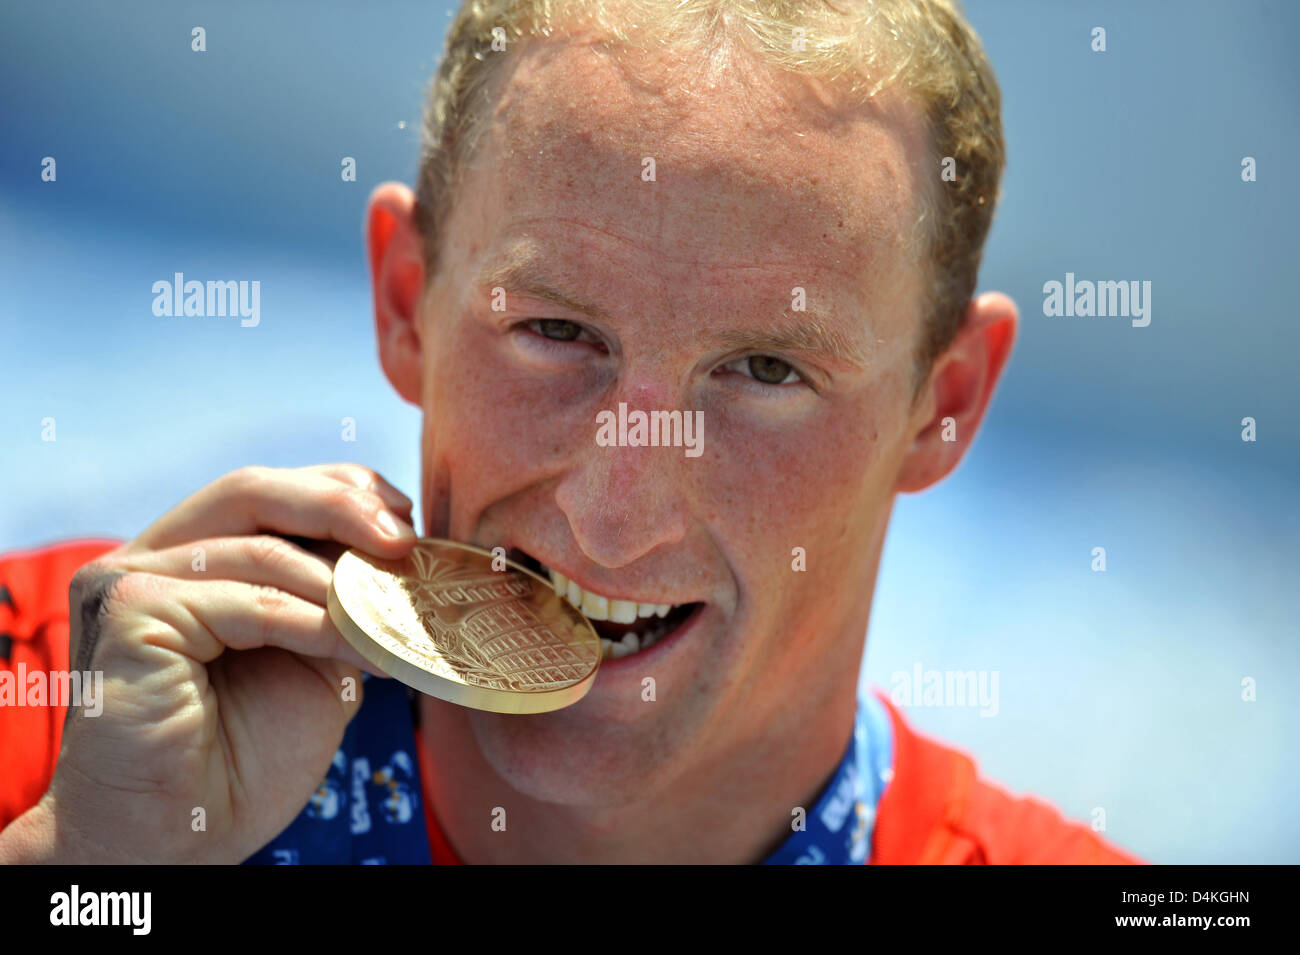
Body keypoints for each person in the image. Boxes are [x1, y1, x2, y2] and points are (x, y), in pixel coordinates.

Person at [0, 0, 1140, 864]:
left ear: (940, 409)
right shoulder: (74, 702)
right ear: (406, 302)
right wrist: (90, 868)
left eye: (763, 368)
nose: (614, 513)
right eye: (554, 330)